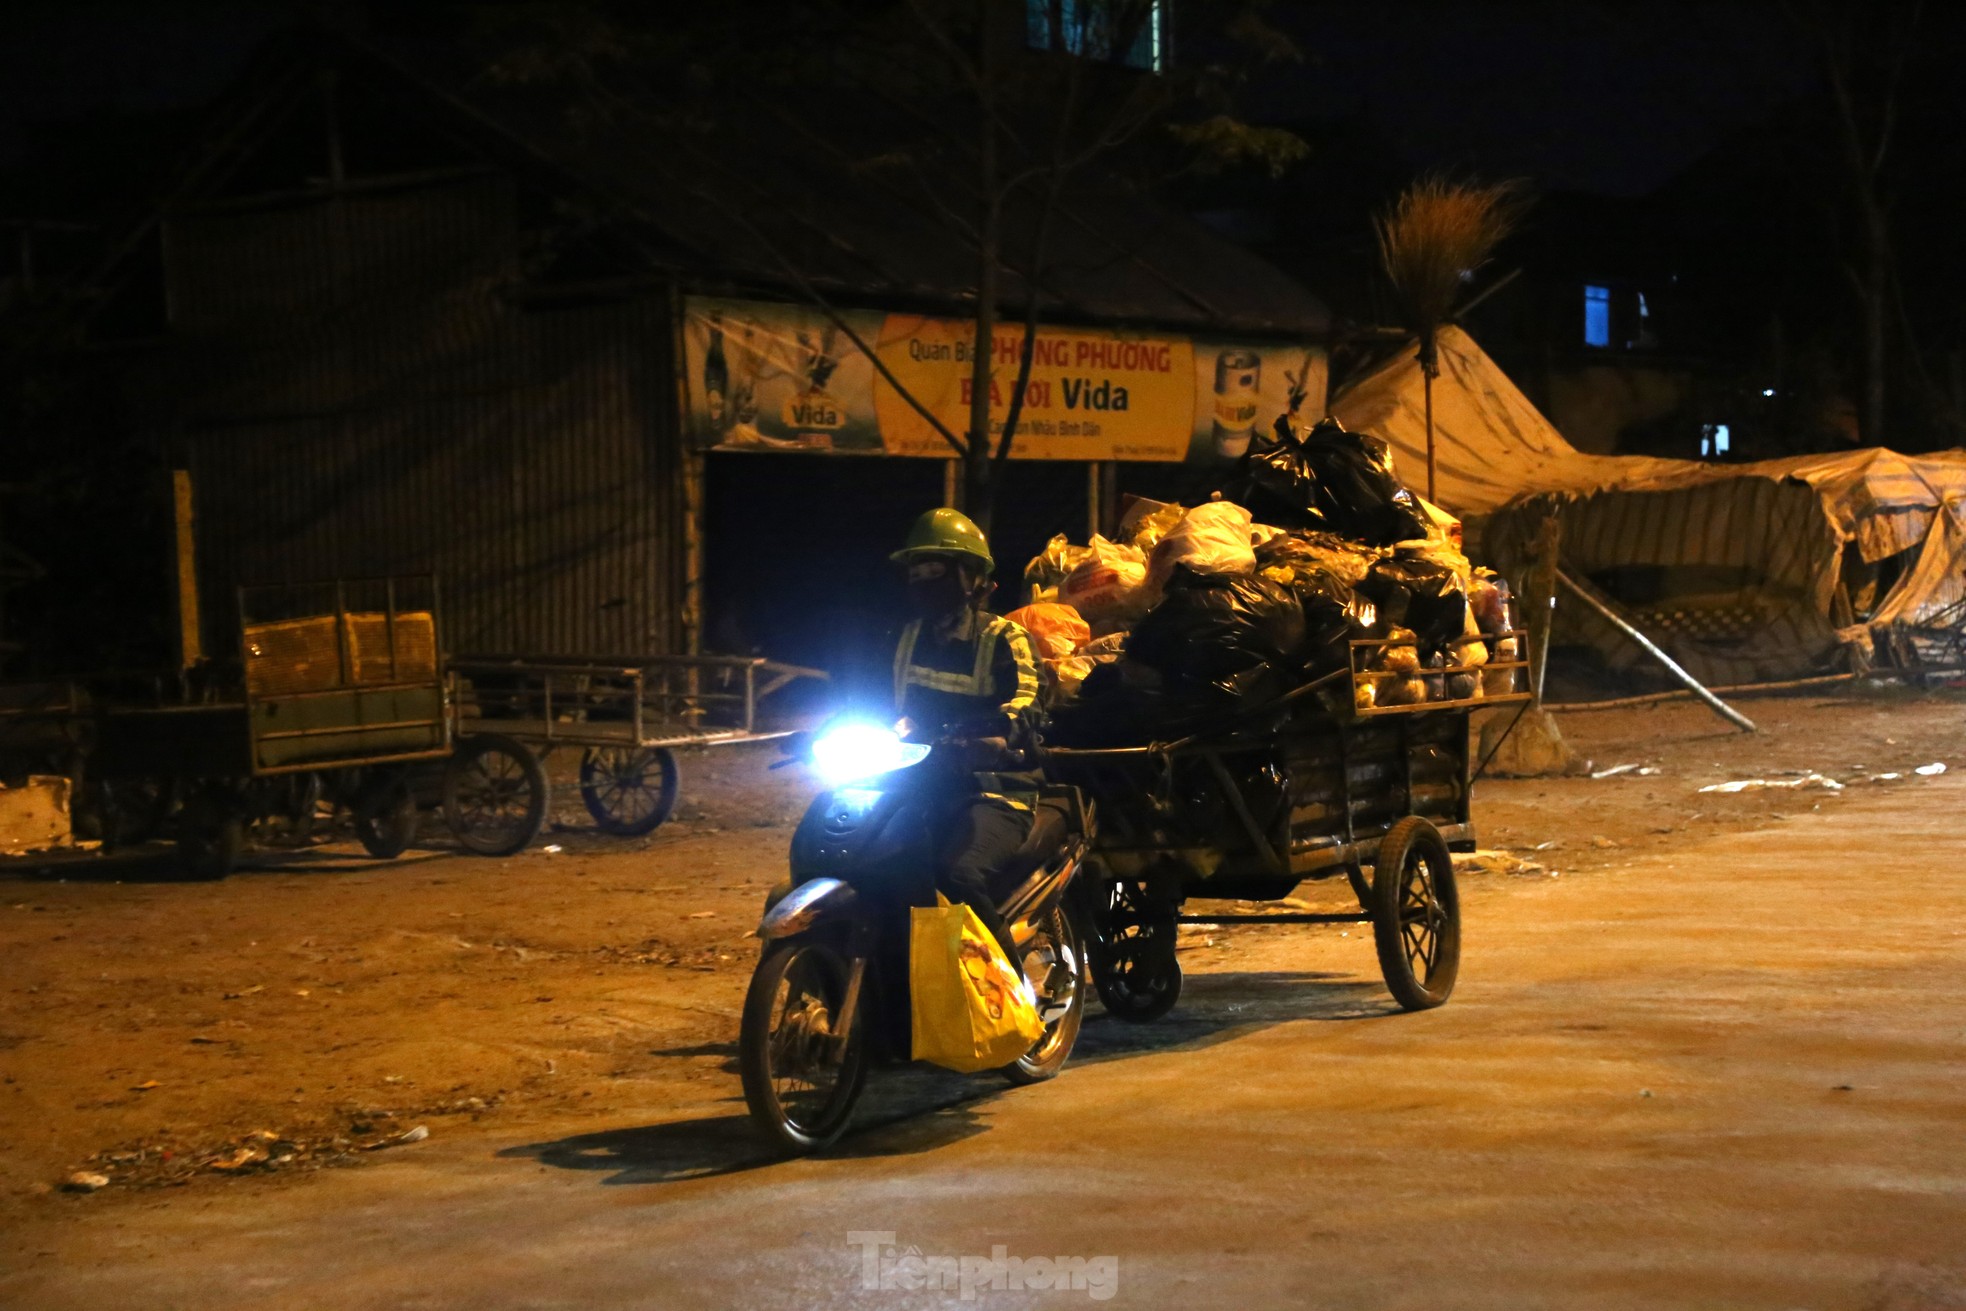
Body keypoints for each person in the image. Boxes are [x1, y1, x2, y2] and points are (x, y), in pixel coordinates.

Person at [886, 508, 1043, 966]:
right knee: (861, 855)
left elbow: (1028, 699)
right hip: (919, 780)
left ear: (973, 578)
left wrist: (998, 728)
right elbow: (875, 699)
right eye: (917, 571)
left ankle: (1012, 995)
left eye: (937, 569)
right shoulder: (906, 636)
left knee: (958, 873)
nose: (924, 580)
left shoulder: (1004, 637)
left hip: (995, 790)